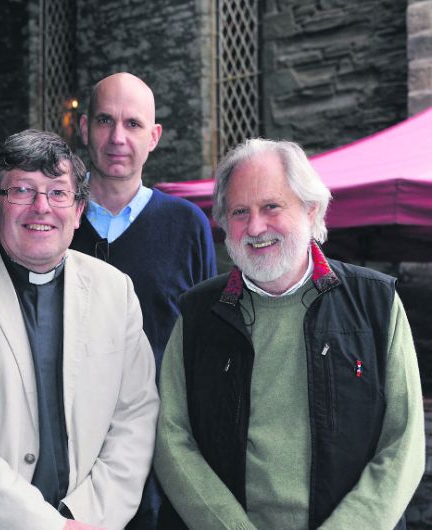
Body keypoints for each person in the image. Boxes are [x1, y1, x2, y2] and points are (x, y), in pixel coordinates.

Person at [154, 139, 425, 530]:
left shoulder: (376, 303)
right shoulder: (198, 315)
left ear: (310, 208)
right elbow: (171, 439)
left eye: (271, 207)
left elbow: (404, 442)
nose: (256, 227)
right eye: (240, 212)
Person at [0, 129, 159, 530]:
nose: (42, 207)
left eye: (58, 193)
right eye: (22, 190)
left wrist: (85, 518)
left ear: (78, 211)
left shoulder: (116, 290)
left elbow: (136, 418)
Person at [71, 72, 217, 529]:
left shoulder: (187, 226)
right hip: (68, 455)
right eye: (104, 120)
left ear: (153, 137)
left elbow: (204, 345)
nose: (117, 137)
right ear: (82, 129)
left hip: (159, 459)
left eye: (133, 124)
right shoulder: (52, 223)